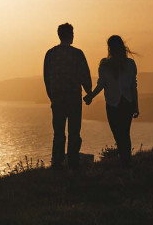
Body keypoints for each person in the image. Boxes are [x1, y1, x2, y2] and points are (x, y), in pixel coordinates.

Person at [43, 22, 92, 168]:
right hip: (74, 98)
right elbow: (85, 74)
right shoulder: (77, 54)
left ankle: (57, 163)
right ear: (70, 35)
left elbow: (47, 77)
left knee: (58, 133)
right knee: (74, 133)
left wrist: (52, 96)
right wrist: (89, 91)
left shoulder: (50, 54)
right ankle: (73, 162)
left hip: (57, 98)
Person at [84, 35, 139, 166]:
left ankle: (124, 161)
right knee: (125, 133)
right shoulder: (130, 64)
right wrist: (136, 106)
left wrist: (91, 96)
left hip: (112, 104)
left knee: (118, 134)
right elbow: (133, 87)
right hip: (127, 103)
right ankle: (126, 161)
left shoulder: (104, 65)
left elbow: (101, 84)